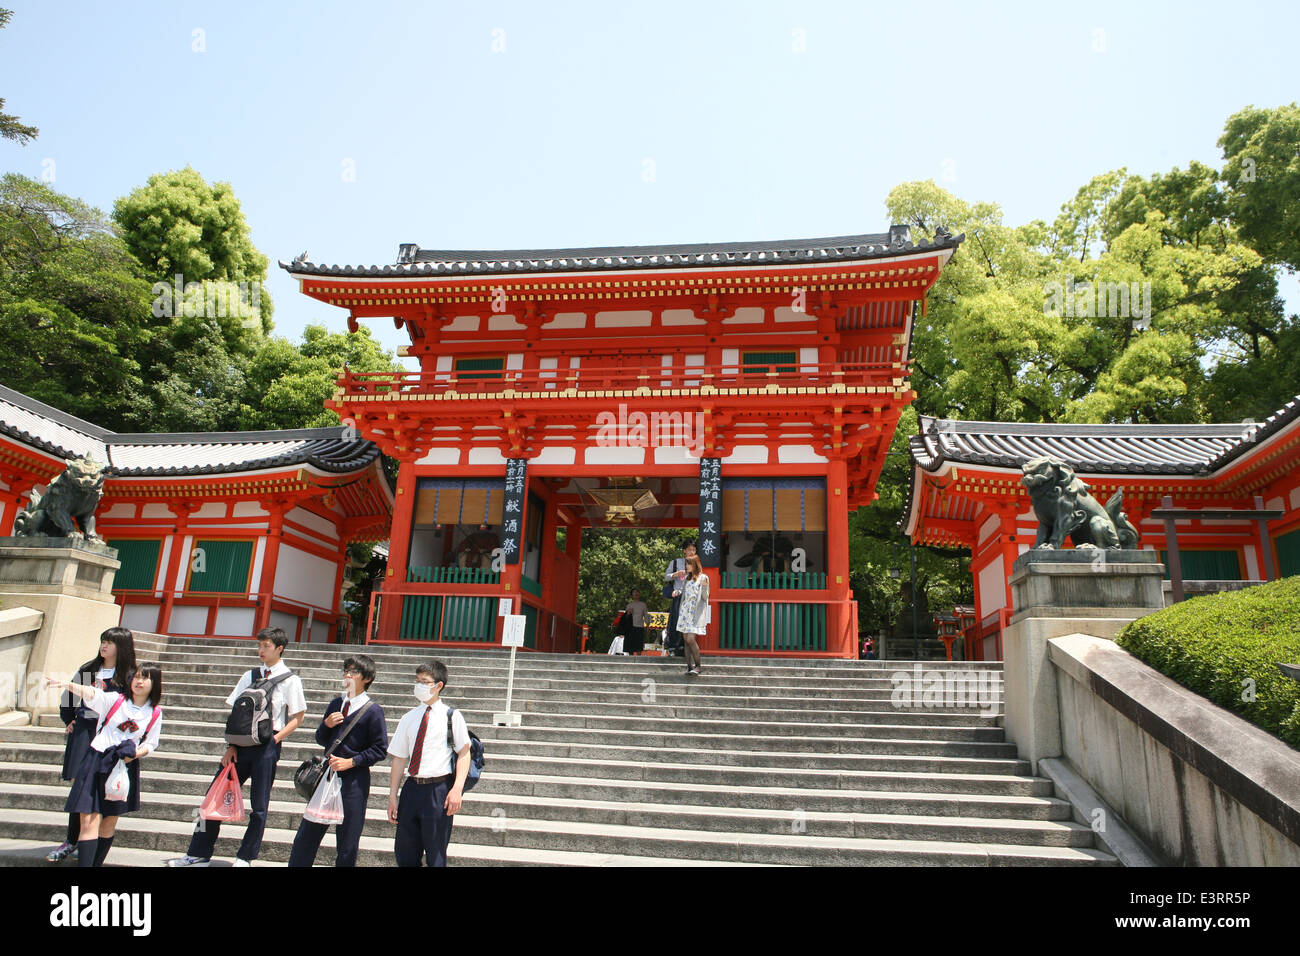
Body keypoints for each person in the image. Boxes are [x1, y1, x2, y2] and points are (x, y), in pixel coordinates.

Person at [167, 626, 306, 867]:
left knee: (259, 806)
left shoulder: (290, 680)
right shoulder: (249, 675)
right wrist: (230, 746)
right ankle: (197, 852)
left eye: (266, 646)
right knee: (212, 797)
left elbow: (298, 716)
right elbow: (235, 712)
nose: (261, 650)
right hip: (239, 746)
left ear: (279, 648)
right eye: (259, 645)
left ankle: (245, 857)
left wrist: (276, 738)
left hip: (267, 746)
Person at [45, 661, 163, 867]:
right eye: (136, 677)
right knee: (88, 821)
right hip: (96, 760)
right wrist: (67, 684)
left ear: (155, 684)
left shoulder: (154, 712)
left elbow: (151, 743)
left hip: (123, 767)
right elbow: (92, 694)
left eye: (145, 678)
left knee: (108, 823)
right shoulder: (115, 700)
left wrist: (136, 753)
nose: (139, 681)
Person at [46, 627, 136, 863]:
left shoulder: (129, 675)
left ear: (122, 647)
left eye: (109, 642)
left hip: (111, 736)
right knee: (80, 787)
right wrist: (70, 719)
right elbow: (69, 697)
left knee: (101, 788)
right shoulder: (89, 669)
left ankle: (91, 839)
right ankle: (71, 839)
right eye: (102, 641)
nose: (104, 646)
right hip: (84, 731)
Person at [288, 654, 388, 868]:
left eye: (354, 672)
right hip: (327, 776)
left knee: (348, 838)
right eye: (346, 671)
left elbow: (380, 749)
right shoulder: (336, 703)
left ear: (367, 678)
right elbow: (321, 739)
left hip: (354, 780)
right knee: (308, 832)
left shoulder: (373, 711)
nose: (348, 675)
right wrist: (326, 724)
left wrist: (352, 761)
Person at [387, 661, 471, 868]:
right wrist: (392, 796)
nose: (420, 686)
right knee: (405, 852)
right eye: (417, 681)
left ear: (439, 685)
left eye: (425, 682)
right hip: (411, 788)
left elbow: (464, 753)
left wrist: (457, 789)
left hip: (438, 790)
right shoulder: (408, 718)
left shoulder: (452, 716)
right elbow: (399, 758)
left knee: (436, 853)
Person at [676, 555, 709, 676]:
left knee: (690, 639)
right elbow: (684, 597)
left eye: (689, 564)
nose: (686, 566)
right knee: (686, 640)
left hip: (695, 613)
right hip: (685, 612)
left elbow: (705, 598)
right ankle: (689, 667)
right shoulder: (687, 579)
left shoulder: (703, 577)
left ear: (695, 564)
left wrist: (705, 587)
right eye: (686, 564)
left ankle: (698, 666)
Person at [664, 539, 697, 657]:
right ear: (684, 551)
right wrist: (675, 574)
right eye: (689, 550)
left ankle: (684, 646)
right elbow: (666, 577)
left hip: (691, 597)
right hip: (678, 595)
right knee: (676, 620)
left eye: (694, 549)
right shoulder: (675, 562)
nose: (692, 552)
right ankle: (673, 645)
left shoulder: (697, 563)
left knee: (689, 622)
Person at [623, 589, 647, 655]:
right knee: (630, 647)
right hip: (630, 627)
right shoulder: (629, 605)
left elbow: (646, 616)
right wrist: (628, 613)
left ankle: (639, 660)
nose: (636, 593)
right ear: (632, 595)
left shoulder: (643, 605)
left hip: (639, 627)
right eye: (634, 592)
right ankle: (631, 660)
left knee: (639, 646)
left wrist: (647, 626)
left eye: (637, 592)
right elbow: (625, 618)